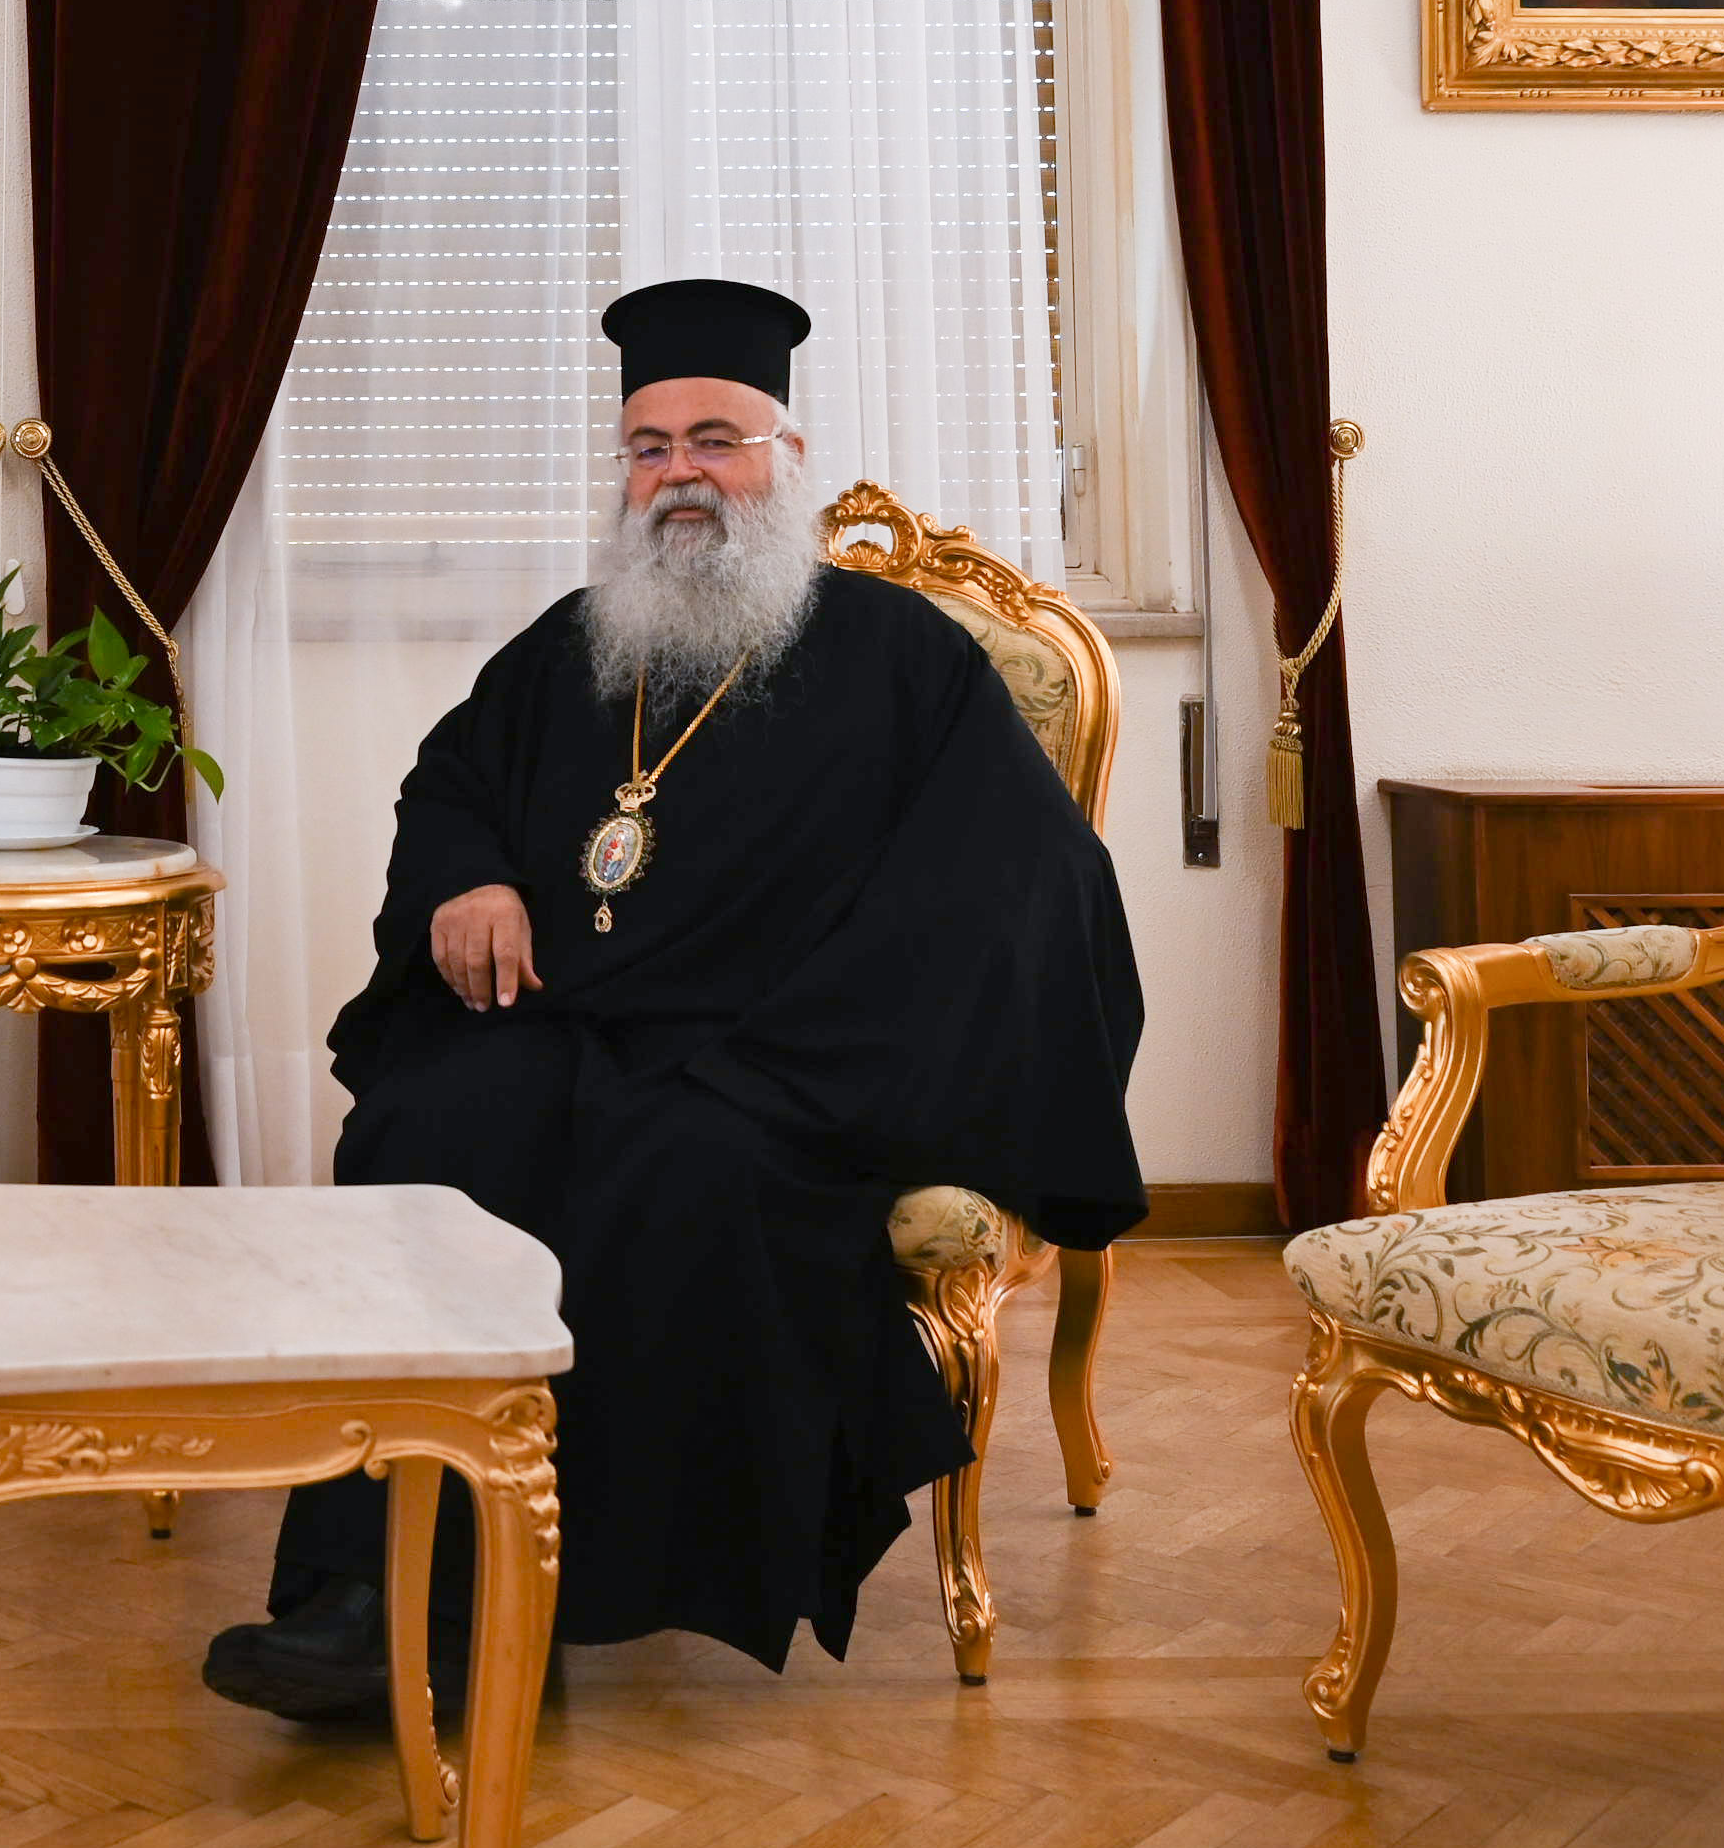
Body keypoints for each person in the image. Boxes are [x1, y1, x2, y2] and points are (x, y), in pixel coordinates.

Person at [202, 280, 1146, 1721]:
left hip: (790, 1064)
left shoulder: (905, 660)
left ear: (787, 457)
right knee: (423, 1129)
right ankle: (360, 1588)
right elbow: (448, 785)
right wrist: (470, 878)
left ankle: (544, 1596)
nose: (680, 473)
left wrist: (807, 1039)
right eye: (649, 447)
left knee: (671, 1170)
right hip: (567, 1030)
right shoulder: (573, 645)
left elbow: (1023, 886)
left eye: (716, 439)